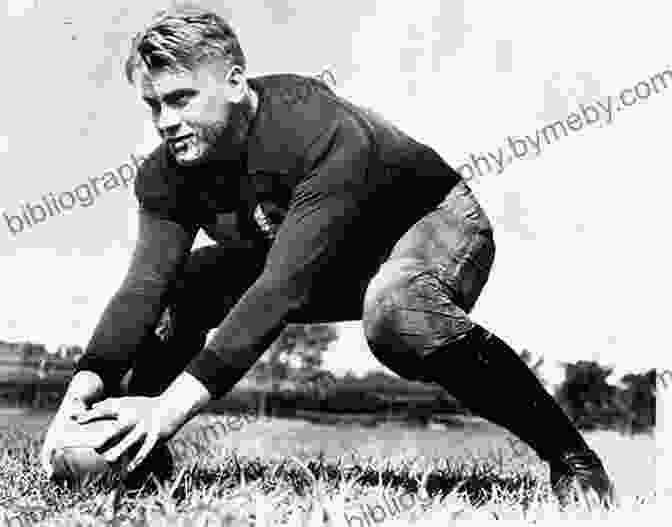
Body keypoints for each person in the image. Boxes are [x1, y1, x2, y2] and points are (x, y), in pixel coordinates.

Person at [41, 5, 615, 505]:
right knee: (177, 291)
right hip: (308, 255)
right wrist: (82, 391)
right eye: (153, 106)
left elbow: (281, 289)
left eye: (181, 99)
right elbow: (144, 287)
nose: (166, 122)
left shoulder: (317, 129)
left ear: (236, 82)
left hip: (423, 225)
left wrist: (168, 408)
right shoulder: (167, 173)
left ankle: (573, 459)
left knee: (398, 311)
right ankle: (135, 458)